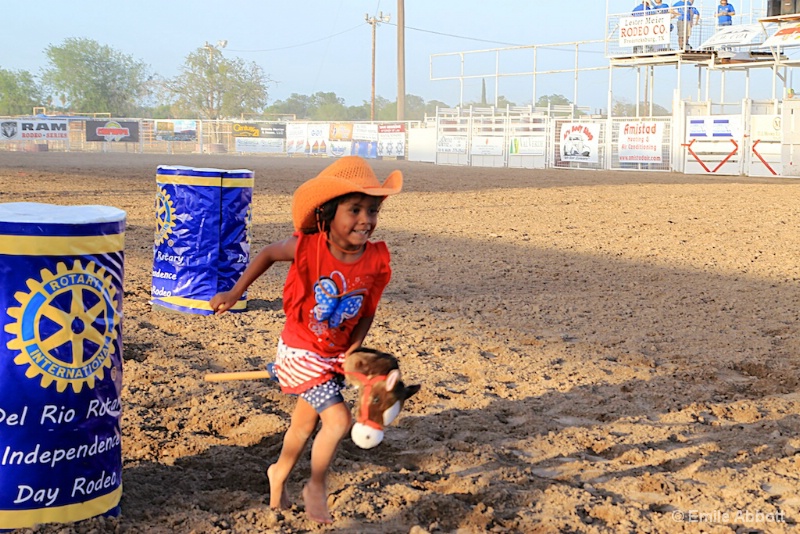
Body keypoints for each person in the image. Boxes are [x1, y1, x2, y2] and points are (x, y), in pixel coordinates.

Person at [209, 155, 402, 524]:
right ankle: (315, 485)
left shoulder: (375, 260)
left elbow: (366, 311)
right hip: (300, 352)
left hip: (331, 355)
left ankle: (277, 474)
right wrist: (235, 293)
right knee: (338, 421)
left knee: (302, 426)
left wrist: (353, 349)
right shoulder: (308, 247)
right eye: (355, 209)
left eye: (373, 210)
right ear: (328, 213)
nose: (366, 219)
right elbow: (266, 253)